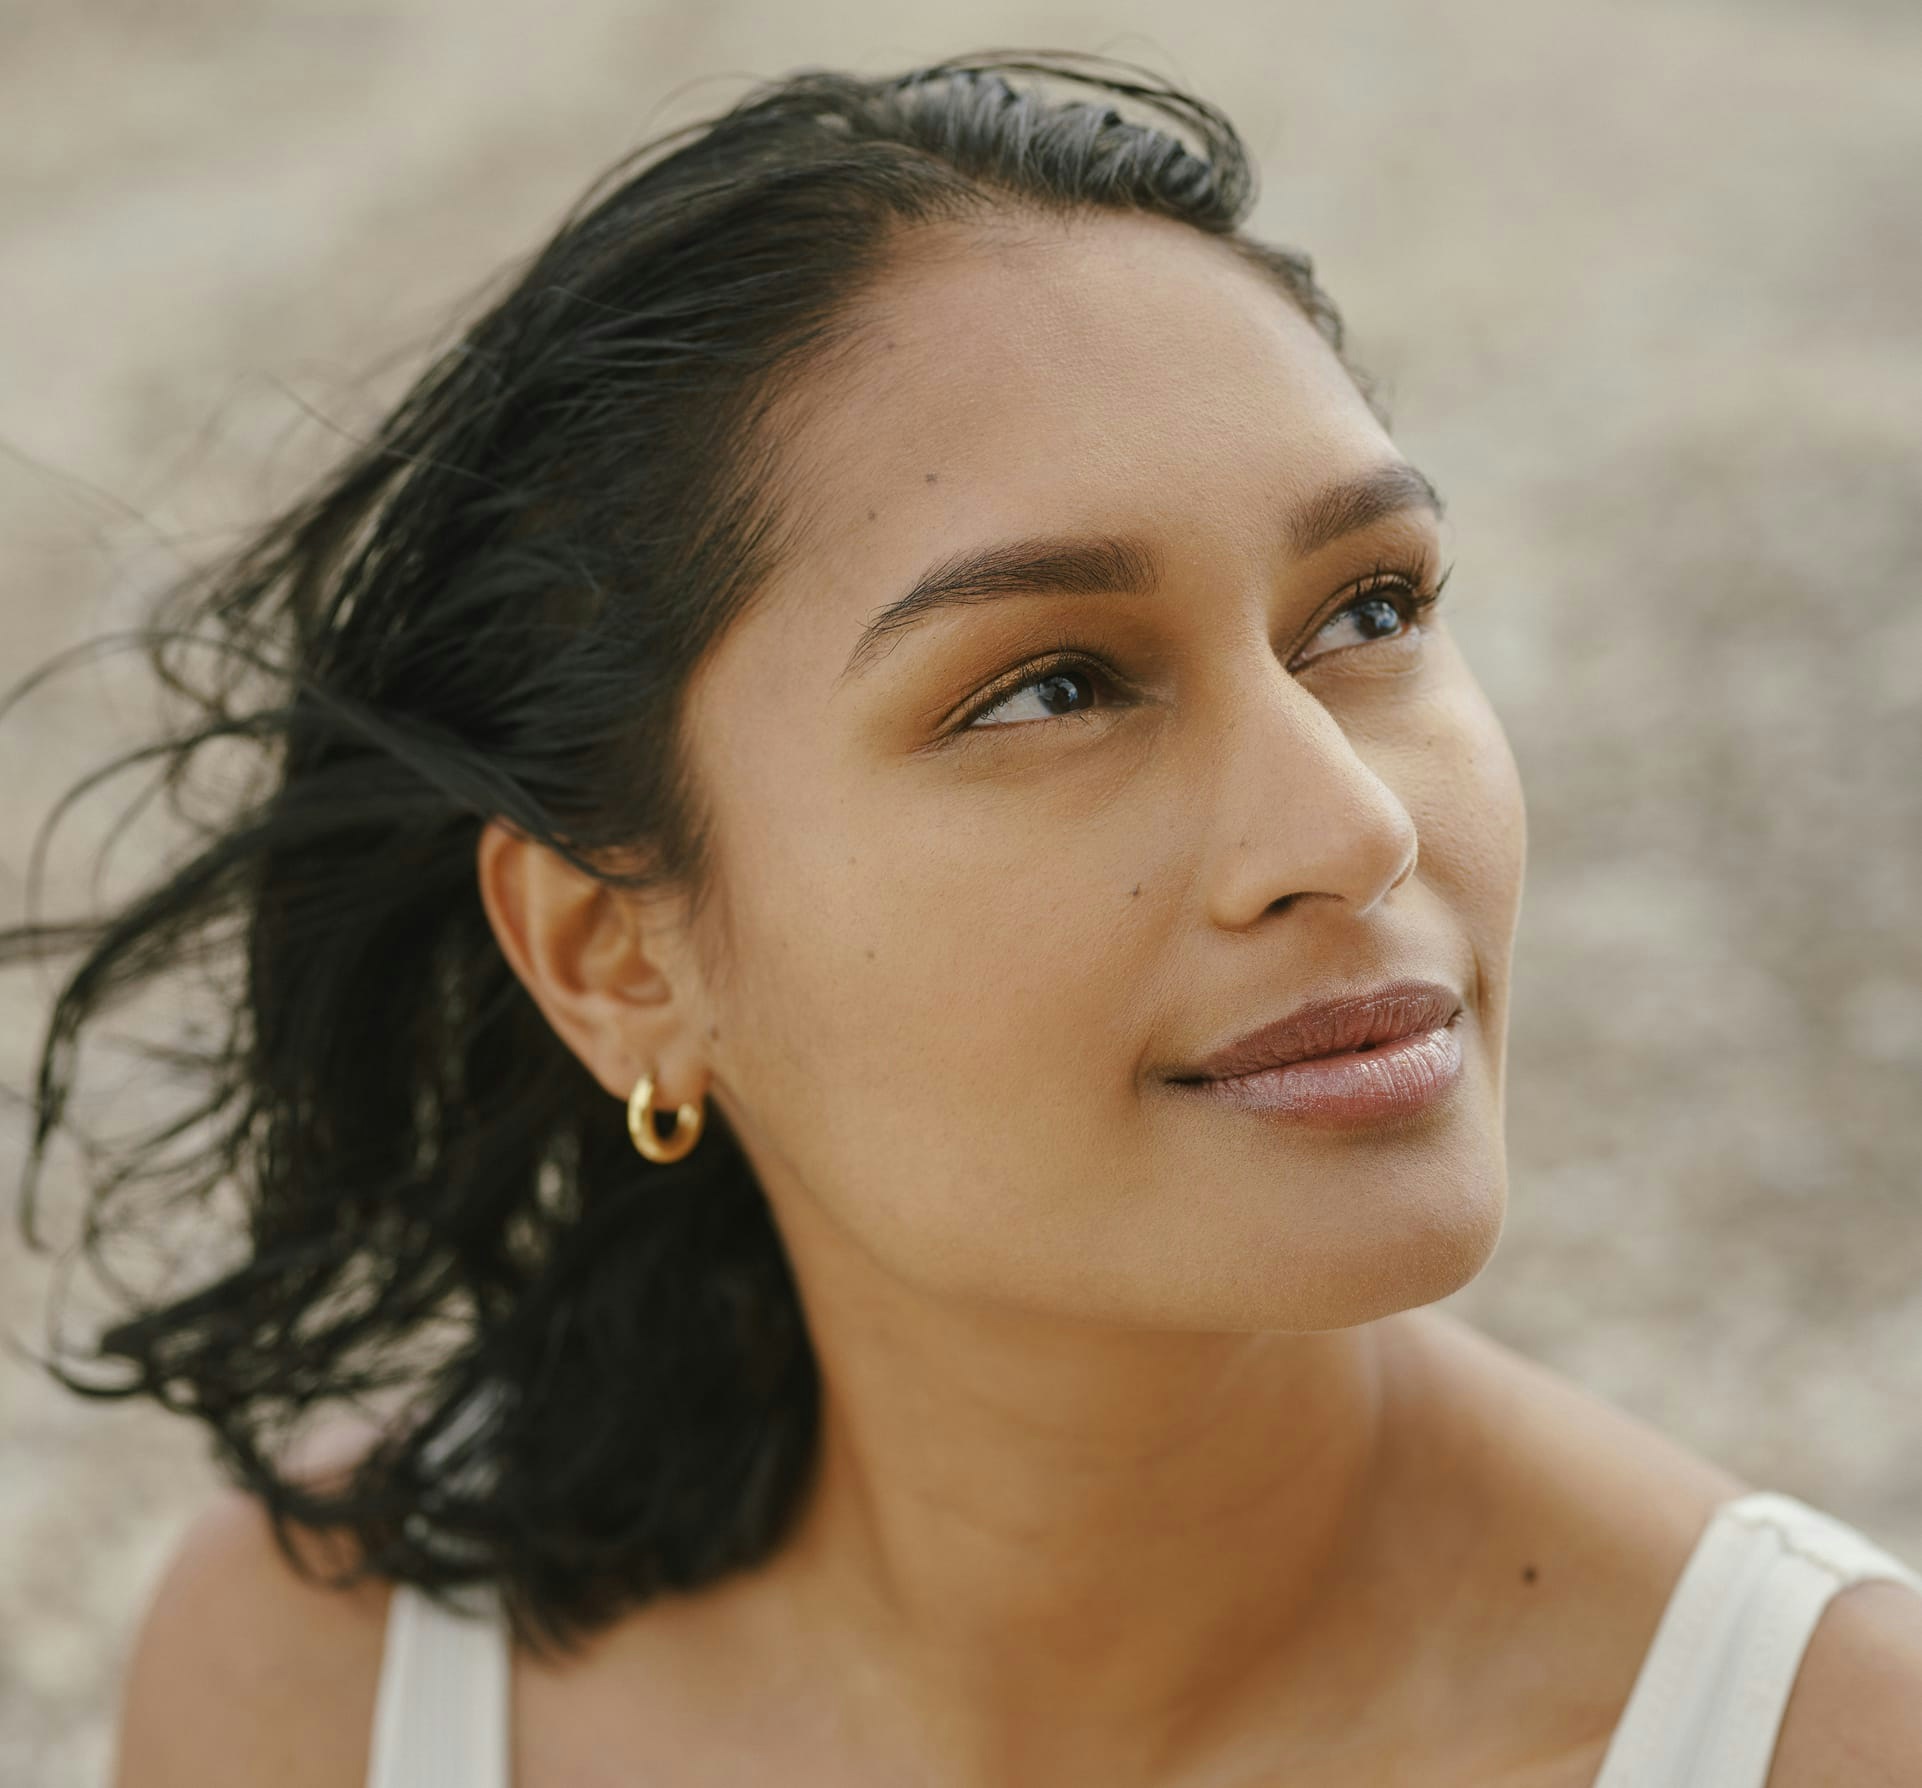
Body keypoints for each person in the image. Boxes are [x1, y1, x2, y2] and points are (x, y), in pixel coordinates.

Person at [4, 51, 1919, 1788]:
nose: (1352, 825)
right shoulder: (325, 1694)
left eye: (1370, 610)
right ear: (618, 958)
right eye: (1050, 687)